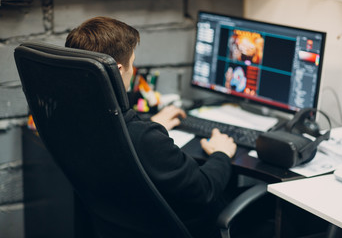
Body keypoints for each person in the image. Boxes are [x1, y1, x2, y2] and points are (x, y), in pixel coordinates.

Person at [65, 16, 237, 238]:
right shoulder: (144, 138)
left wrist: (150, 124)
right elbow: (205, 190)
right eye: (132, 63)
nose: (133, 70)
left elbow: (124, 137)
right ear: (117, 71)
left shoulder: (71, 122)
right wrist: (222, 154)